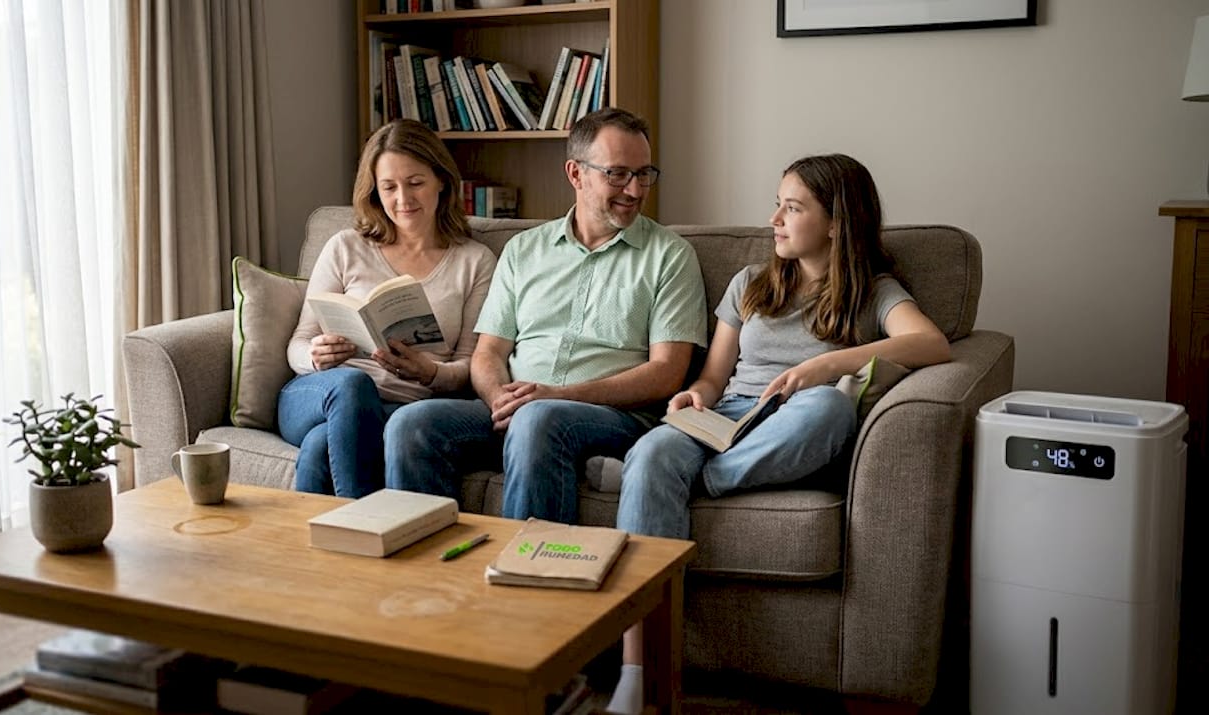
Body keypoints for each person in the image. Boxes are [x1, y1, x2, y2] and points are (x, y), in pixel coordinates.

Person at [604, 153, 953, 715]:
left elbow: (931, 344)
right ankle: (639, 672)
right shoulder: (749, 283)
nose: (775, 220)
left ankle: (695, 478)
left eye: (792, 208)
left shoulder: (876, 291)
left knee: (829, 408)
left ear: (836, 222)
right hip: (727, 416)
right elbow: (714, 377)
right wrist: (697, 396)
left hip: (796, 423)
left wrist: (827, 365)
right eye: (777, 205)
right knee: (655, 452)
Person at [383, 108, 707, 524]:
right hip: (519, 410)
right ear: (576, 173)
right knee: (411, 424)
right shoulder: (523, 250)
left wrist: (557, 396)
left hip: (612, 418)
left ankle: (529, 565)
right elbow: (489, 352)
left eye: (643, 174)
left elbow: (666, 373)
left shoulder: (670, 257)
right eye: (617, 174)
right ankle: (427, 565)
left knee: (539, 419)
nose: (634, 189)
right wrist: (499, 399)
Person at [279, 119, 497, 499]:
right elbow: (298, 342)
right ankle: (370, 522)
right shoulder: (345, 246)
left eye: (415, 183)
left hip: (400, 405)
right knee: (352, 384)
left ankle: (331, 537)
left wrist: (430, 372)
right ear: (375, 192)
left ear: (441, 180)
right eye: (389, 187)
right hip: (320, 393)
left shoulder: (474, 262)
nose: (403, 199)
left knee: (317, 448)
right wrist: (314, 356)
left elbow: (469, 366)